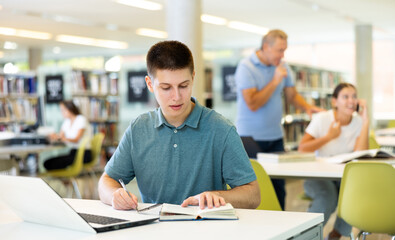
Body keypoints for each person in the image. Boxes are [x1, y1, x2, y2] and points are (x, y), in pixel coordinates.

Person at [98, 40, 260, 210]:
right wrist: (114, 195)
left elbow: (253, 194)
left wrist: (218, 196)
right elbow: (107, 181)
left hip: (205, 230)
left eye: (183, 86)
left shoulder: (221, 129)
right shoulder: (138, 129)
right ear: (149, 84)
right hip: (153, 229)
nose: (176, 97)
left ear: (193, 78)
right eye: (166, 88)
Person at [234, 29, 322, 209]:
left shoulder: (283, 67)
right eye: (280, 50)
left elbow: (291, 95)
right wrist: (274, 81)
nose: (282, 55)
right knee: (255, 187)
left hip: (275, 136)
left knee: (279, 188)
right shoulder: (246, 67)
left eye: (284, 50)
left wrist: (306, 107)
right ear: (266, 47)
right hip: (249, 138)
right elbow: (252, 103)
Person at [298, 83, 369, 240]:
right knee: (327, 196)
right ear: (334, 102)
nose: (351, 101)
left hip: (343, 178)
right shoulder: (323, 119)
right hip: (318, 176)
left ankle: (335, 236)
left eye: (354, 96)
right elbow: (302, 148)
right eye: (345, 97)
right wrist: (329, 136)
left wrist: (365, 122)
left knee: (353, 194)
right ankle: (306, 236)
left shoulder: (358, 122)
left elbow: (361, 154)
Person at [43, 100, 92, 170]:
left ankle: (65, 180)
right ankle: (65, 180)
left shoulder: (81, 119)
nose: (62, 113)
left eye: (63, 110)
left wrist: (62, 138)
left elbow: (76, 139)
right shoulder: (67, 121)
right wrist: (54, 136)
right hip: (73, 152)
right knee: (47, 163)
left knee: (52, 164)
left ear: (70, 109)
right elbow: (60, 136)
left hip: (83, 153)